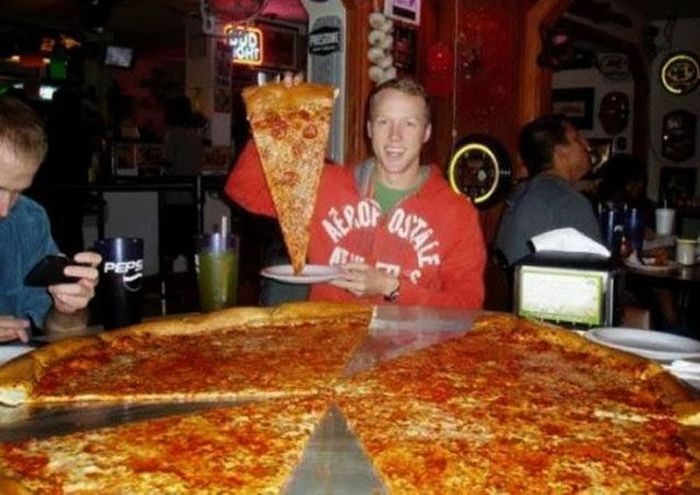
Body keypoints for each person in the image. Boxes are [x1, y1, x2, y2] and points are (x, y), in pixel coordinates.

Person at [226, 76, 485, 308]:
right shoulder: (325, 185)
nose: (395, 136)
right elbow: (244, 187)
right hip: (329, 337)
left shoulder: (457, 213)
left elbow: (467, 304)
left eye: (409, 124)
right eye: (384, 122)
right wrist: (273, 121)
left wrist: (392, 287)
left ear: (426, 133)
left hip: (412, 343)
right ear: (369, 129)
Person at [0, 96, 102, 343]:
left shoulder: (29, 219)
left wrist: (68, 309)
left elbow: (60, 334)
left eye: (18, 191)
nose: (5, 210)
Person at [495, 114, 603, 266]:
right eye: (577, 139)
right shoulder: (569, 203)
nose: (587, 145)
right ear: (560, 152)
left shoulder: (519, 194)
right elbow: (597, 274)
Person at [161, 94, 204, 273]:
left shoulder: (172, 135)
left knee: (170, 242)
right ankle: (194, 279)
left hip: (174, 193)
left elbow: (168, 162)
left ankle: (167, 280)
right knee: (190, 242)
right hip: (192, 194)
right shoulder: (195, 135)